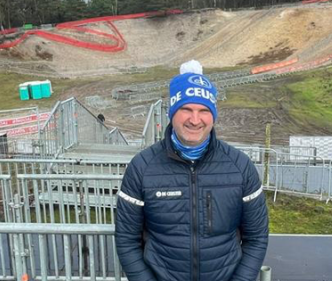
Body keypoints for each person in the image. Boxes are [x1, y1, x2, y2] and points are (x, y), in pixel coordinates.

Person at [115, 60, 269, 281]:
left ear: (213, 115)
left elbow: (257, 238)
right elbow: (126, 239)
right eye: (186, 109)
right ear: (172, 112)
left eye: (204, 110)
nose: (195, 120)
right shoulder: (141, 167)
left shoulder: (241, 166)